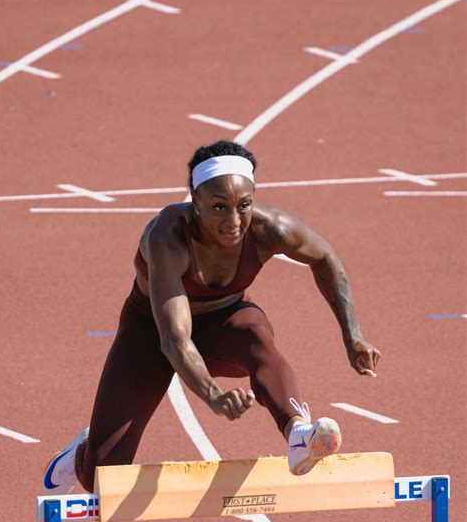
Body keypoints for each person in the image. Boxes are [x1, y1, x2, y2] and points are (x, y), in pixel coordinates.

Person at [44, 140, 380, 494]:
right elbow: (173, 339)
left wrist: (351, 333)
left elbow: (325, 258)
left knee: (257, 339)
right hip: (152, 331)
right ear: (196, 201)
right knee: (103, 481)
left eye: (244, 205)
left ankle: (298, 433)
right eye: (220, 207)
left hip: (225, 323)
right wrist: (214, 396)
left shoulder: (270, 228)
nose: (234, 222)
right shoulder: (167, 238)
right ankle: (84, 450)